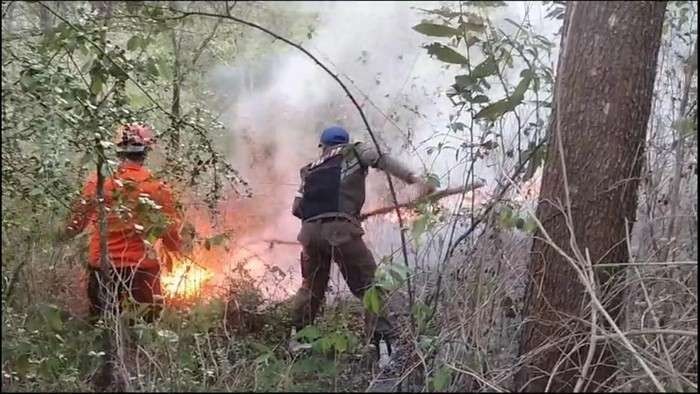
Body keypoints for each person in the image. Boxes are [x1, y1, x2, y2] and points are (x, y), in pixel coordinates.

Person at [290, 125, 435, 349]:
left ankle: (297, 339)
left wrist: (340, 213)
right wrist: (414, 179)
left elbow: (297, 208)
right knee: (370, 286)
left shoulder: (309, 169)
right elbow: (382, 160)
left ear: (323, 147)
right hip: (340, 231)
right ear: (345, 142)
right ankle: (382, 345)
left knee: (311, 287)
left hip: (309, 234)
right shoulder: (355, 151)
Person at [64, 122, 183, 323]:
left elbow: (74, 225)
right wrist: (176, 248)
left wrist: (57, 237)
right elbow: (170, 234)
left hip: (103, 270)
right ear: (145, 151)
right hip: (143, 272)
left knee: (102, 329)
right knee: (146, 334)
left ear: (118, 150)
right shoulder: (157, 188)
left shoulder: (98, 183)